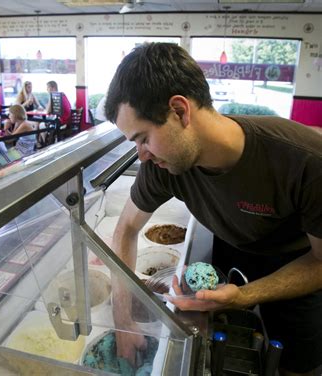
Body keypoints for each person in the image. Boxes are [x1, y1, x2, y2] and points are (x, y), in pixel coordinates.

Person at [105, 43, 322, 376]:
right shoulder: (161, 166)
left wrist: (245, 295)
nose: (142, 154)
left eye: (143, 137)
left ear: (179, 111)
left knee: (294, 365)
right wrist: (124, 322)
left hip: (299, 263)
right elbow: (126, 230)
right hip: (233, 248)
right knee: (218, 351)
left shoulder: (304, 161)